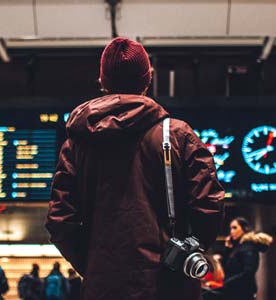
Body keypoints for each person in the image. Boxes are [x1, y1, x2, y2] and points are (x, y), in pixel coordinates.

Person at [45, 37, 224, 300]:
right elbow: (208, 206)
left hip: (103, 289)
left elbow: (60, 221)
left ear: (103, 81)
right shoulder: (177, 135)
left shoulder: (77, 144)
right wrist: (185, 252)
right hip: (169, 287)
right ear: (147, 79)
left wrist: (97, 266)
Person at [221, 217, 273, 300]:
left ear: (245, 229)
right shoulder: (238, 247)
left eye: (235, 227)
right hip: (234, 291)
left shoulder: (248, 247)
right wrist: (227, 249)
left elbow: (248, 272)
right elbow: (226, 268)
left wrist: (227, 283)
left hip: (243, 293)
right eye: (230, 228)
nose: (231, 231)